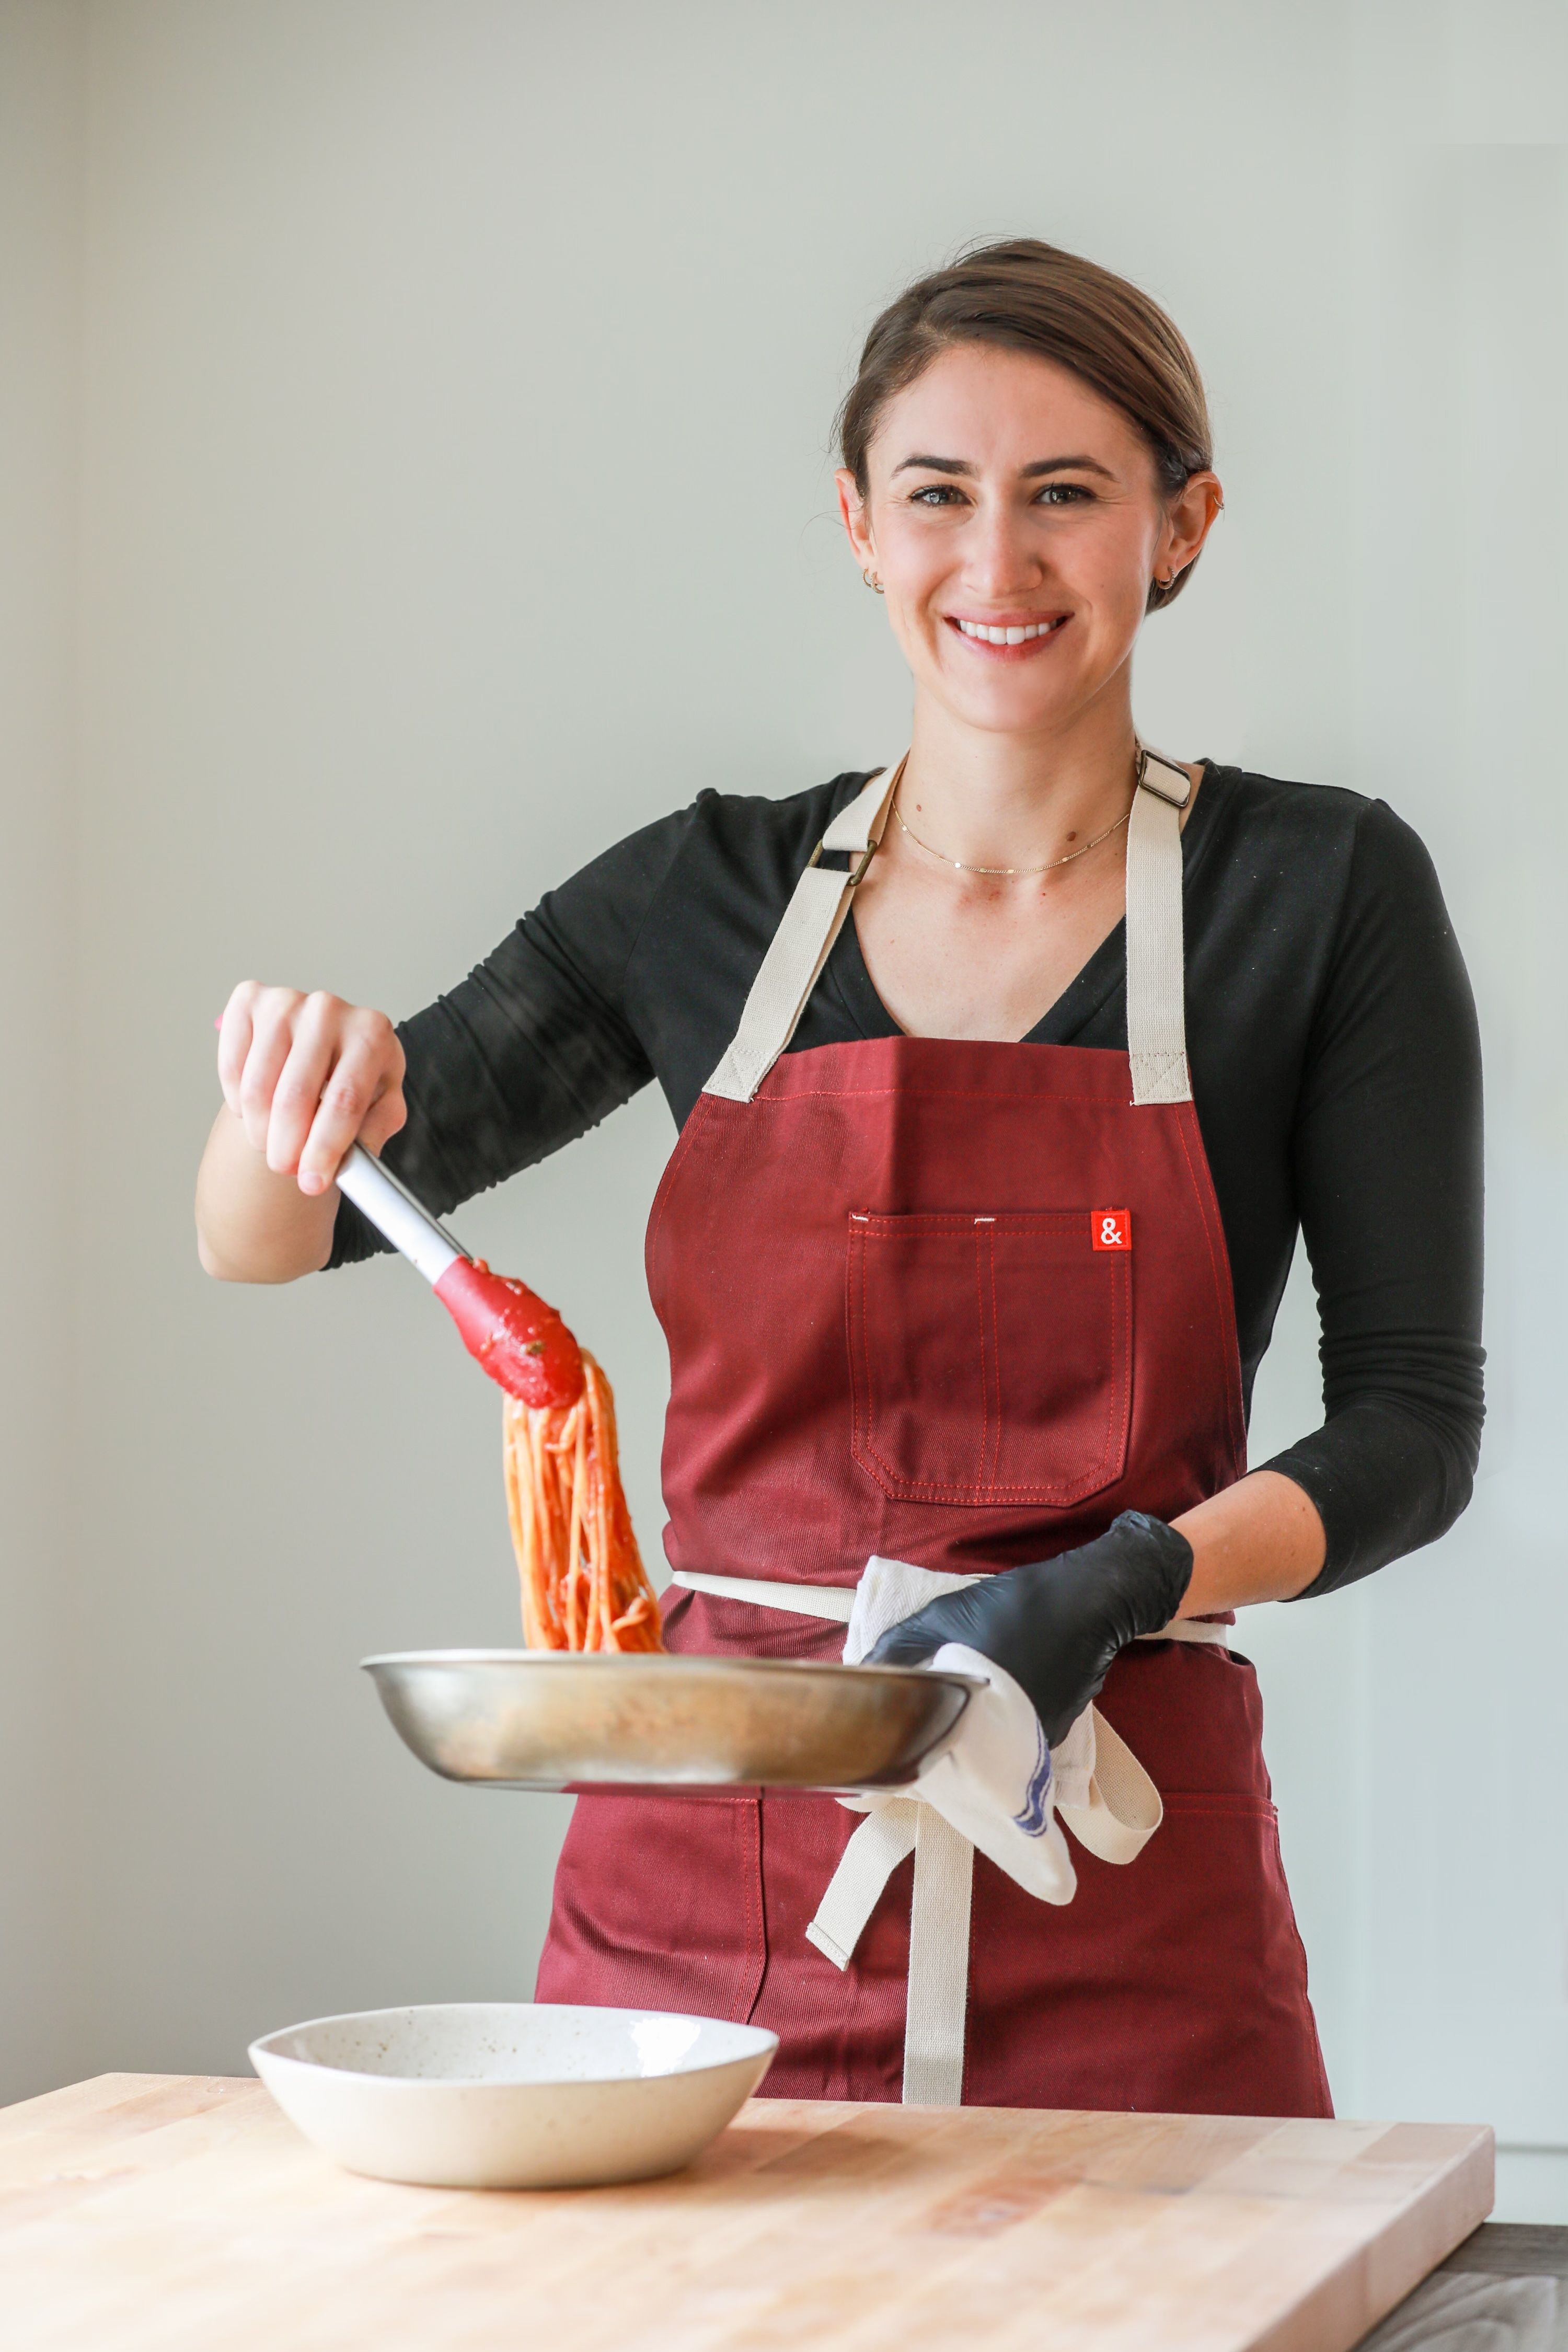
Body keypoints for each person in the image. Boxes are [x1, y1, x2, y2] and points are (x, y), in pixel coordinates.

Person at [196, 238, 1483, 2117]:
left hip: (1124, 1881)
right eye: (936, 495)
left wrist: (1127, 1576)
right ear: (859, 527)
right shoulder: (699, 899)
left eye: (1068, 496)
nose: (998, 563)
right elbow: (273, 1234)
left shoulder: (1322, 896)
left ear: (1180, 526)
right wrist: (279, 1093)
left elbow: (1413, 1427)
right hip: (708, 1915)